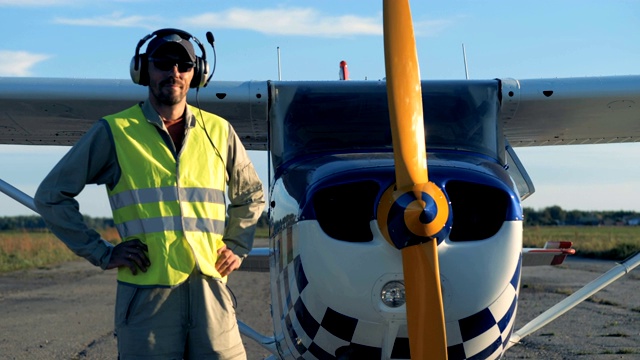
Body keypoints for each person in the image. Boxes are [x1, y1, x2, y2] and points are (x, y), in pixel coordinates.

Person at [34, 28, 265, 359]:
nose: (174, 72)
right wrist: (101, 251)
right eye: (163, 63)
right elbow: (50, 196)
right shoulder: (115, 131)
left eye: (184, 65)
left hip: (210, 292)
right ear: (143, 70)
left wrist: (238, 245)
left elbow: (252, 195)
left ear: (196, 74)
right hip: (147, 299)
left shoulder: (219, 131)